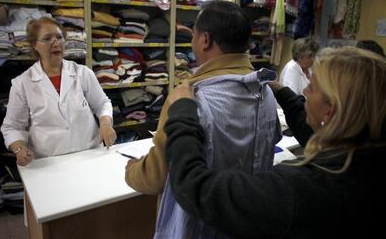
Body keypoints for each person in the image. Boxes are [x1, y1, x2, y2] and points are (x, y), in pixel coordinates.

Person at [163, 47, 386, 238]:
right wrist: (281, 91)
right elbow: (310, 128)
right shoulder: (366, 159)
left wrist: (182, 111)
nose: (306, 91)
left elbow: (196, 188)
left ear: (330, 110)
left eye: (312, 87)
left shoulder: (299, 191)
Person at [125, 1, 280, 237]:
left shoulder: (188, 98)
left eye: (194, 35)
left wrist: (132, 170)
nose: (192, 42)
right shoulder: (266, 92)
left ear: (205, 40)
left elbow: (157, 176)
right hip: (250, 223)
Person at [1, 17, 116, 166]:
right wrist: (19, 148)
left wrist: (105, 124)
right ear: (34, 45)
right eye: (47, 38)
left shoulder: (82, 73)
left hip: (89, 154)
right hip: (49, 162)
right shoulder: (22, 83)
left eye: (60, 37)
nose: (56, 43)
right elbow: (13, 126)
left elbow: (102, 104)